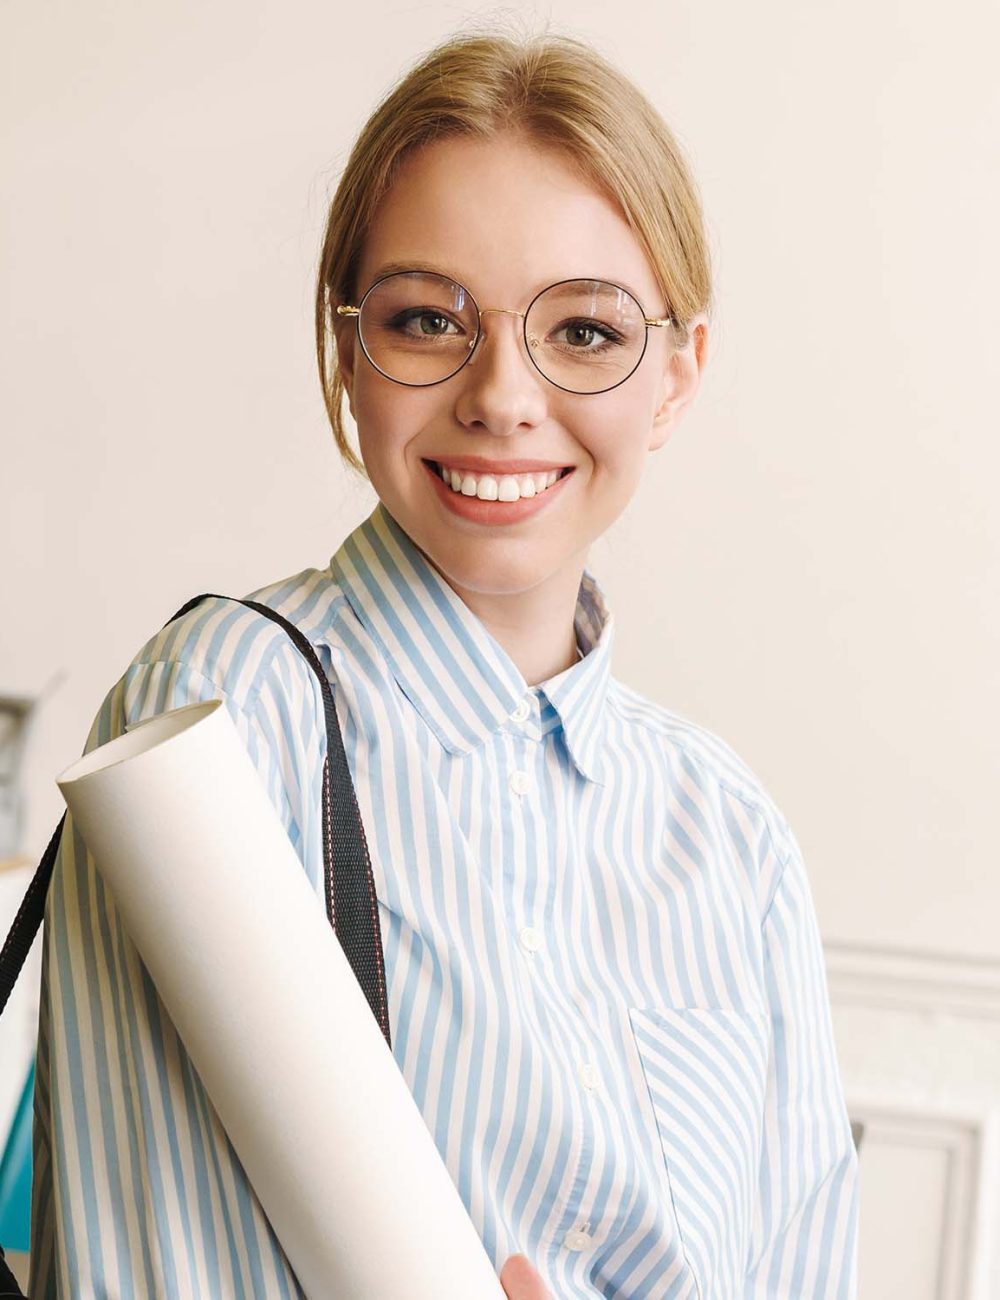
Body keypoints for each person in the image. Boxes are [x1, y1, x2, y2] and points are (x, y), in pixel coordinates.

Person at [28, 23, 859, 1300]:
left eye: (584, 333)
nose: (502, 396)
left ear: (677, 378)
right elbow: (155, 1271)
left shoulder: (729, 834)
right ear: (348, 348)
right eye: (428, 320)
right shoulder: (228, 713)